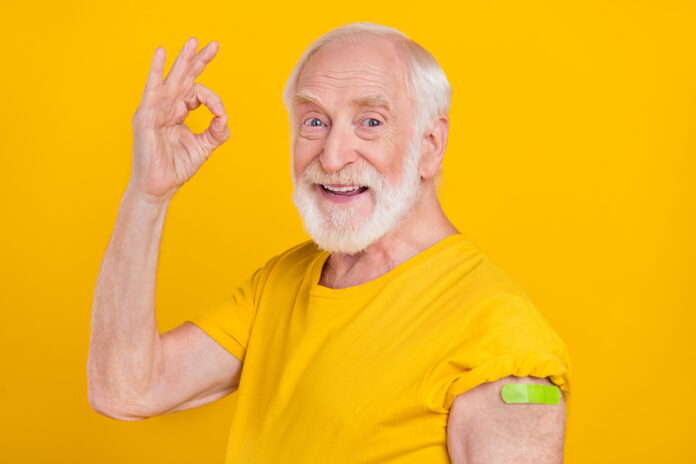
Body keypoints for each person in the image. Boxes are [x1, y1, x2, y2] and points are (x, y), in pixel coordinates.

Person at [87, 22, 571, 463]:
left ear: (430, 145)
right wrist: (148, 195)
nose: (333, 156)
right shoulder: (280, 283)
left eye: (371, 122)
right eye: (315, 121)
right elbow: (125, 388)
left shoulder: (501, 340)